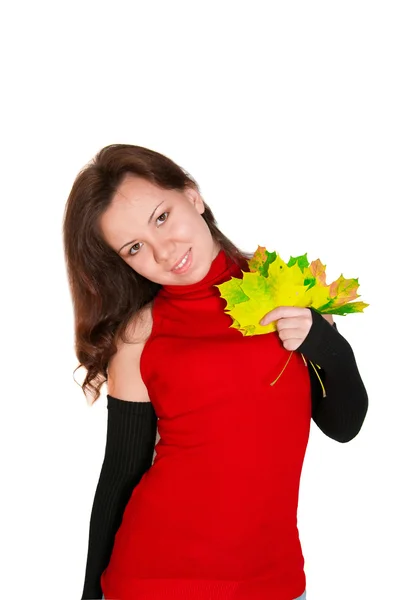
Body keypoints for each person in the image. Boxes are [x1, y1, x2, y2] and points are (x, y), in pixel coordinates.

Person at [62, 144, 368, 600]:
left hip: (274, 581)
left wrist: (324, 342)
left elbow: (344, 426)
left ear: (192, 195)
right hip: (152, 580)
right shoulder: (139, 336)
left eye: (161, 217)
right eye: (134, 247)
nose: (164, 252)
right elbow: (120, 476)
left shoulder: (288, 291)